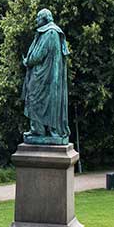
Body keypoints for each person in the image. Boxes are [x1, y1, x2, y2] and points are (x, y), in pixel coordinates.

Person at [22, 8, 71, 145]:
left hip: (43, 76)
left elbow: (39, 54)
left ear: (44, 19)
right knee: (38, 101)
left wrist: (28, 61)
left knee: (35, 100)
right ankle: (38, 130)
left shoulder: (50, 32)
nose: (36, 20)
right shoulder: (49, 32)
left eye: (38, 17)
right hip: (44, 76)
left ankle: (39, 130)